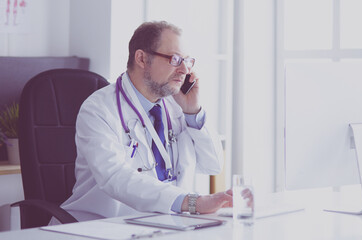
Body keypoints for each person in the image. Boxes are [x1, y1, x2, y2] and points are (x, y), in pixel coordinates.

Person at [57, 21, 232, 222]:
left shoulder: (177, 105)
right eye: (175, 59)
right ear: (141, 58)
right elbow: (115, 177)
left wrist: (193, 112)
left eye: (187, 60)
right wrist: (192, 202)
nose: (184, 69)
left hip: (165, 224)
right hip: (103, 225)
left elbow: (213, 165)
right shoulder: (99, 109)